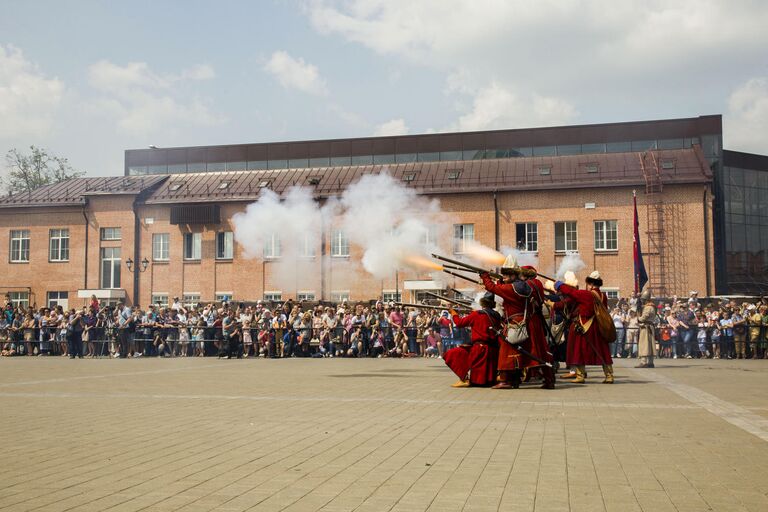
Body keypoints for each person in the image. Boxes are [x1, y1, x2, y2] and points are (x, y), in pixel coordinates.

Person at [481, 255, 553, 389]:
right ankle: (546, 379)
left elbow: (492, 288)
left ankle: (505, 380)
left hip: (516, 323)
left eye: (507, 276)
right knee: (536, 352)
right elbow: (502, 288)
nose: (505, 278)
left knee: (506, 350)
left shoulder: (512, 288)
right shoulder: (522, 286)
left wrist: (484, 276)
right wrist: (500, 280)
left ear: (514, 276)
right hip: (527, 322)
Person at [546, 270, 614, 384]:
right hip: (598, 327)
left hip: (584, 326)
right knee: (602, 351)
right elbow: (571, 299)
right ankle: (609, 375)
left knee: (578, 350)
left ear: (590, 284)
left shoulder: (587, 294)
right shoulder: (603, 296)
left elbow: (572, 293)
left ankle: (580, 375)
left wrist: (559, 285)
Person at [443, 292, 501, 387]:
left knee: (453, 353)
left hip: (479, 349)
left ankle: (465, 379)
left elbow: (459, 323)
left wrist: (454, 313)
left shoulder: (477, 314)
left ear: (482, 303)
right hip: (493, 348)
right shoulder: (496, 315)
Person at [635, 288, 656, 368]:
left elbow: (643, 318)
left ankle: (643, 362)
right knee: (650, 345)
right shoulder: (652, 306)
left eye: (643, 299)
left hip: (645, 327)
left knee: (644, 344)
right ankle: (650, 362)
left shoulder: (648, 307)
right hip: (650, 327)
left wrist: (638, 317)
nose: (642, 301)